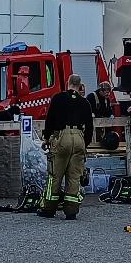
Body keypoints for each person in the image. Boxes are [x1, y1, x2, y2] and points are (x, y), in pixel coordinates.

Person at [38, 74, 93, 220]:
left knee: (55, 175)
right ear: (80, 85)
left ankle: (48, 208)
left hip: (62, 137)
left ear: (67, 83)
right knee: (74, 176)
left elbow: (50, 119)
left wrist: (47, 138)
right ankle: (71, 211)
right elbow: (90, 127)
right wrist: (84, 144)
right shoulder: (85, 102)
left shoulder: (58, 98)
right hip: (79, 138)